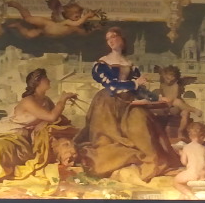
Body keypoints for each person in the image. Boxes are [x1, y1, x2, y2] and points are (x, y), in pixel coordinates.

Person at [75, 27, 182, 183]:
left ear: (122, 39)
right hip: (107, 104)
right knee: (106, 142)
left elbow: (139, 90)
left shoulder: (130, 64)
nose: (111, 41)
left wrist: (157, 98)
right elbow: (112, 86)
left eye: (114, 37)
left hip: (128, 104)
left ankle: (151, 162)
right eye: (108, 39)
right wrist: (135, 83)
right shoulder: (101, 64)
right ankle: (113, 164)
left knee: (141, 123)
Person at [6, 0, 98, 38]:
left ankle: (18, 25)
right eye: (76, 14)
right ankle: (17, 6)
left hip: (44, 31)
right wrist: (87, 16)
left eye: (79, 15)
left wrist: (95, 29)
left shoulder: (73, 28)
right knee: (28, 18)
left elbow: (82, 32)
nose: (78, 17)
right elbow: (78, 23)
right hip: (47, 24)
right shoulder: (68, 22)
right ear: (68, 15)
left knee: (29, 35)